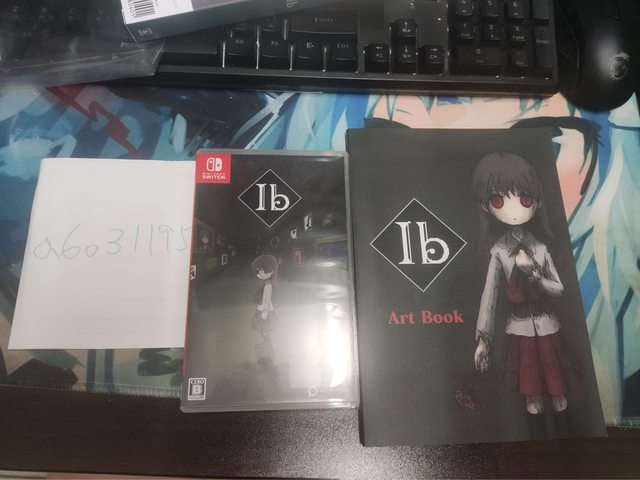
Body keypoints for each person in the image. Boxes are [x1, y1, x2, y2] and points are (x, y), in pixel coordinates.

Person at [472, 151, 576, 439]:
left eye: (525, 199)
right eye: (498, 200)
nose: (514, 209)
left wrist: (534, 275)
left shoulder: (540, 248)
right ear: (486, 206)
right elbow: (489, 296)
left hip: (548, 328)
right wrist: (484, 338)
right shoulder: (499, 251)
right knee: (532, 398)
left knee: (559, 395)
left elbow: (559, 288)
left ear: (537, 200)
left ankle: (570, 449)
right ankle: (539, 452)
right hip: (520, 332)